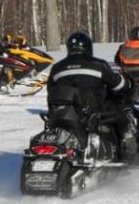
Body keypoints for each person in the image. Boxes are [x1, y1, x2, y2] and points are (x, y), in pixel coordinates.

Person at [47, 31, 133, 159]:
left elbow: (50, 91)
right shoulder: (99, 65)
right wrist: (128, 84)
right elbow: (118, 85)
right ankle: (125, 152)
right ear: (88, 47)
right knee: (121, 115)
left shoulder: (56, 68)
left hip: (61, 115)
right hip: (91, 113)